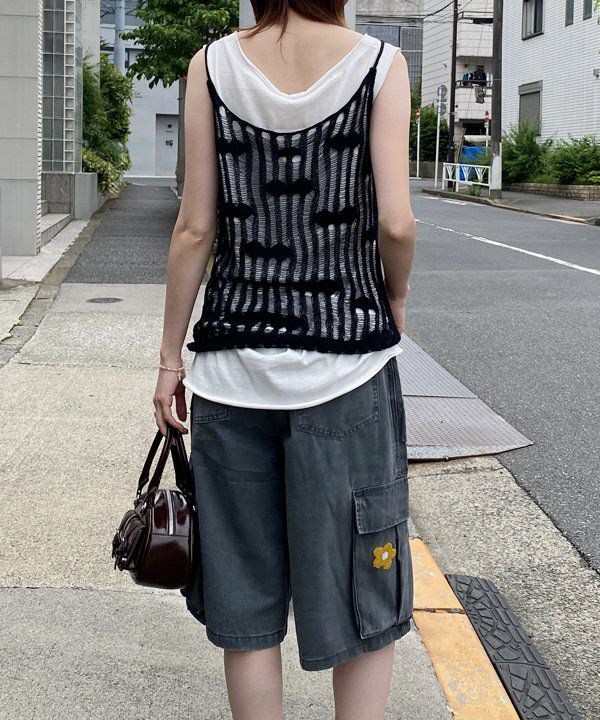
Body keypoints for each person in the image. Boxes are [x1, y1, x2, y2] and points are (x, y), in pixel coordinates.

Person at [153, 1, 416, 718]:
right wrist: (394, 297)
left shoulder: (211, 65)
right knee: (363, 591)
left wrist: (171, 360)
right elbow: (396, 223)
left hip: (232, 375)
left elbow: (195, 227)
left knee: (245, 600)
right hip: (346, 371)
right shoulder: (380, 65)